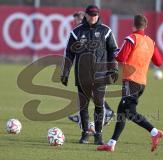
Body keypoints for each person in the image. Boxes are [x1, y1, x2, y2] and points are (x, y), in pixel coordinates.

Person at [97, 14, 163, 152]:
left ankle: (154, 132)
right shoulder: (151, 42)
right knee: (121, 112)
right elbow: (159, 62)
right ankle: (111, 144)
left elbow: (121, 57)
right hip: (141, 83)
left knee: (129, 112)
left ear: (133, 25)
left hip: (131, 81)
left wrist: (113, 51)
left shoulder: (131, 38)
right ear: (145, 26)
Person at [61, 5, 118, 145]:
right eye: (91, 15)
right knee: (83, 106)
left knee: (99, 105)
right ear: (86, 15)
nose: (93, 17)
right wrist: (65, 72)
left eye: (95, 15)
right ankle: (85, 134)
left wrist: (114, 68)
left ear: (98, 15)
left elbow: (113, 51)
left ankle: (98, 135)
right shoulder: (76, 32)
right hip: (82, 75)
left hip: (101, 75)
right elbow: (69, 53)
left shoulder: (106, 31)